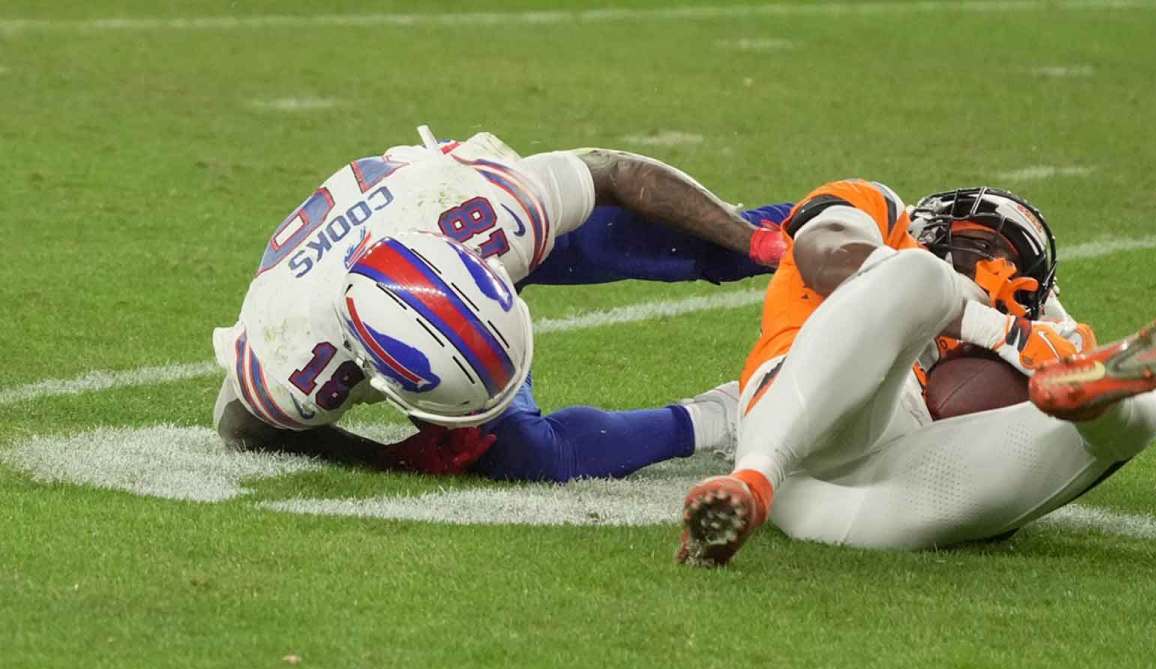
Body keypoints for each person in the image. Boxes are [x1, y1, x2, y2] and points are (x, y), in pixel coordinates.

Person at [213, 126, 793, 481]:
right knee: (524, 458)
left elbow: (613, 173)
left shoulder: (495, 211)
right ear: (378, 378)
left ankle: (846, 222)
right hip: (366, 266)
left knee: (703, 241)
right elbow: (242, 425)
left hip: (436, 209)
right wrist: (380, 457)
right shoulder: (293, 358)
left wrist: (750, 240)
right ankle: (729, 413)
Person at [676, 180, 1156, 565]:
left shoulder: (1039, 334)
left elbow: (1056, 342)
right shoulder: (884, 217)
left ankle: (1095, 404)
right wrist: (988, 325)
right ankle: (752, 480)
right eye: (987, 246)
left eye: (1015, 268)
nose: (999, 270)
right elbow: (823, 252)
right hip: (800, 436)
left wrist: (1034, 346)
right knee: (920, 276)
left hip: (880, 502)